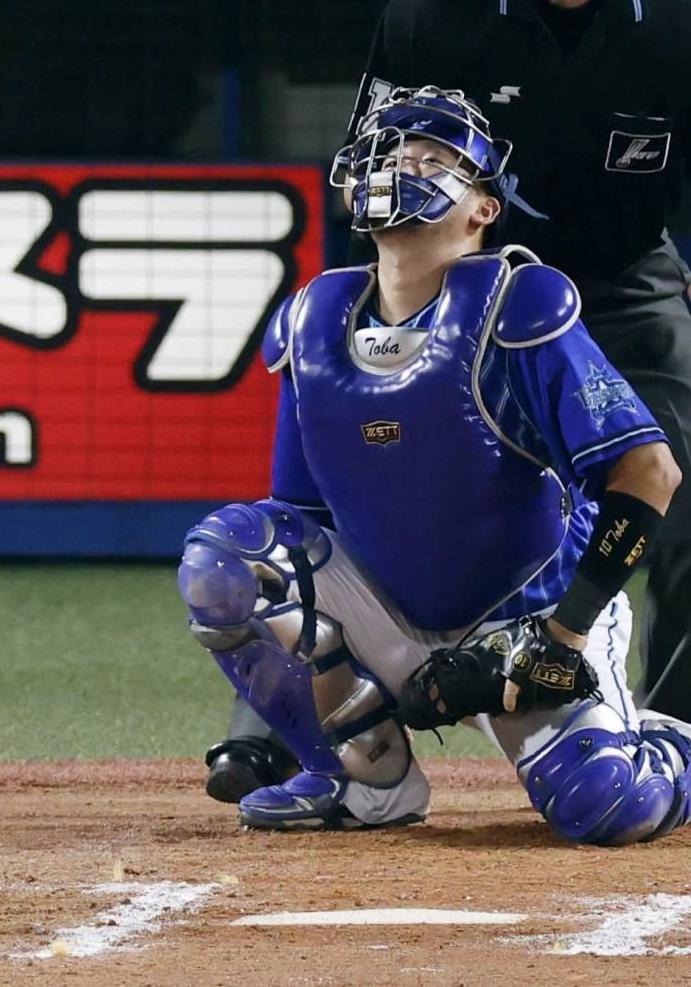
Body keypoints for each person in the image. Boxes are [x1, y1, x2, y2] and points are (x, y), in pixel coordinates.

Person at [206, 0, 691, 803]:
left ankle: (667, 723)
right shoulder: (428, 13)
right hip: (457, 285)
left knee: (676, 485)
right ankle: (292, 725)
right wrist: (363, 328)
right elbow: (376, 175)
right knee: (338, 482)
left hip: (618, 285)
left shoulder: (677, 29)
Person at [179, 85, 691, 840]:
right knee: (228, 558)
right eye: (388, 153)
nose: (400, 167)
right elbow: (301, 520)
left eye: (430, 158)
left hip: (528, 622)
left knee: (606, 803)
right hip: (393, 610)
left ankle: (664, 746)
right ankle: (364, 775)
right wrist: (331, 664)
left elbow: (650, 472)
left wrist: (564, 636)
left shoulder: (519, 305)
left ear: (483, 208)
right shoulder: (311, 319)